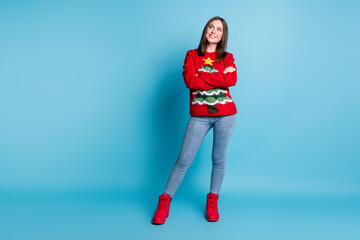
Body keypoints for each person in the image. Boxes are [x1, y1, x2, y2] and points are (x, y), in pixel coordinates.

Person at [152, 16, 237, 224]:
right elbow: (190, 81)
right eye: (211, 27)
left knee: (218, 160)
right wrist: (216, 79)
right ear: (205, 30)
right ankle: (164, 201)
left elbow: (231, 80)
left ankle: (212, 201)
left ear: (223, 35)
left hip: (225, 114)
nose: (214, 32)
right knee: (183, 160)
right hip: (199, 116)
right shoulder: (192, 55)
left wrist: (203, 77)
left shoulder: (227, 57)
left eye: (219, 29)